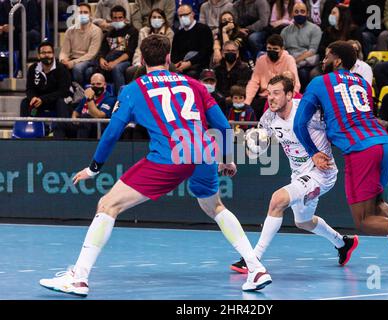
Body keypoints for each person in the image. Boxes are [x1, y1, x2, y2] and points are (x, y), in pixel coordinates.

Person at [39, 34, 272, 296]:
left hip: (170, 157)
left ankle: (78, 278)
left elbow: (112, 132)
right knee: (214, 206)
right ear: (169, 58)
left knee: (107, 205)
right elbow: (221, 126)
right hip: (204, 153)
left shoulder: (134, 89)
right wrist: (227, 158)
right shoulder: (194, 84)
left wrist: (94, 168)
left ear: (141, 58)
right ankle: (255, 268)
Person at [293, 40, 388, 277]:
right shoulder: (362, 82)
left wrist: (313, 152)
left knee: (362, 221)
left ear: (337, 60)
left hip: (360, 150)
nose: (323, 60)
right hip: (383, 143)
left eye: (327, 56)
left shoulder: (320, 82)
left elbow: (299, 124)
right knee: (378, 203)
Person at [230, 75, 358, 273]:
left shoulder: (308, 113)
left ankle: (253, 259)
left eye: (277, 93)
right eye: (268, 94)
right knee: (304, 221)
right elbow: (259, 147)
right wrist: (253, 146)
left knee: (277, 200)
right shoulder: (268, 117)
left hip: (322, 173)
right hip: (299, 175)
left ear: (289, 95)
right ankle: (343, 244)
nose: (271, 98)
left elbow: (338, 126)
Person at [90, 5, 139, 95]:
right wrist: (101, 60)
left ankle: (121, 97)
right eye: (115, 18)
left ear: (125, 18)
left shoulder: (133, 31)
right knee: (88, 71)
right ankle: (97, 97)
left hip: (125, 61)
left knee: (116, 69)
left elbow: (130, 53)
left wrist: (115, 62)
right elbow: (102, 51)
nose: (117, 20)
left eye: (120, 18)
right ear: (111, 19)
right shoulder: (109, 33)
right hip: (109, 61)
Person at [53, 73, 115, 139]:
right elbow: (76, 111)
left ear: (104, 85)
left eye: (98, 84)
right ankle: (58, 147)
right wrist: (74, 119)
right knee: (60, 123)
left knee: (86, 117)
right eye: (93, 84)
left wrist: (89, 99)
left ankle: (81, 146)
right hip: (82, 126)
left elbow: (99, 116)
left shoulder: (109, 99)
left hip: (98, 128)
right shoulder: (86, 97)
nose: (95, 86)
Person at [20, 41, 72, 118]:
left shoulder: (62, 69)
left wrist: (43, 99)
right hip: (39, 102)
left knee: (61, 102)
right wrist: (33, 97)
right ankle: (28, 127)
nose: (47, 55)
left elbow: (63, 92)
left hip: (56, 101)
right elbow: (29, 89)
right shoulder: (33, 68)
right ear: (38, 56)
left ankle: (61, 128)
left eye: (49, 52)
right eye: (43, 53)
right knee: (25, 102)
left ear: (53, 54)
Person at [59, 3, 103, 87]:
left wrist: (73, 62)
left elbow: (91, 54)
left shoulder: (96, 31)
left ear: (90, 14)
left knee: (77, 68)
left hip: (89, 60)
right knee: (59, 66)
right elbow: (64, 51)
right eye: (80, 12)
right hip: (73, 58)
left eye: (85, 12)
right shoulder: (70, 31)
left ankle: (80, 93)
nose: (82, 15)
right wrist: (63, 60)